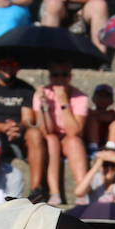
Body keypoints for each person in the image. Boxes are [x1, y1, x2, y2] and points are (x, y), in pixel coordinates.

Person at [32, 62, 88, 204]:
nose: (59, 79)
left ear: (70, 77)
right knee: (51, 140)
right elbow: (46, 130)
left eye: (64, 75)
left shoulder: (80, 97)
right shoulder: (42, 94)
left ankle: (82, 191)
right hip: (51, 138)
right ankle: (54, 192)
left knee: (73, 141)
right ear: (50, 77)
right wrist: (44, 107)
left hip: (69, 138)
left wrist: (63, 102)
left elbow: (74, 131)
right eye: (55, 75)